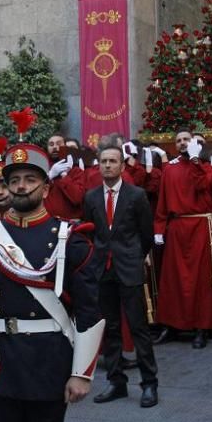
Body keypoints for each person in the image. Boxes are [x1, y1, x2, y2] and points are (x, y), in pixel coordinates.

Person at [0, 138, 103, 422]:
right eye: (14, 180)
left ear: (46, 189)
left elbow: (88, 310)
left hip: (48, 361)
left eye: (30, 179)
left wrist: (82, 373)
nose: (20, 187)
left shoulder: (69, 239)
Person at [85, 144, 158, 407]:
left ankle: (149, 384)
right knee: (111, 329)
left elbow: (146, 234)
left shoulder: (136, 195)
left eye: (112, 161)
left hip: (129, 268)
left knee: (139, 329)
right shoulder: (91, 197)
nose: (107, 165)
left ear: (122, 166)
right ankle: (116, 382)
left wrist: (135, 257)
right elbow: (90, 233)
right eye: (103, 161)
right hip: (103, 270)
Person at [153, 131, 212, 348]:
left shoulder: (208, 166)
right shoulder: (170, 170)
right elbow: (163, 201)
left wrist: (197, 161)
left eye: (187, 139)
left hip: (200, 226)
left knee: (201, 279)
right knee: (173, 278)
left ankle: (201, 327)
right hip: (177, 226)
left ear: (196, 143)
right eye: (178, 141)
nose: (183, 143)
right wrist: (159, 228)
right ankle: (170, 324)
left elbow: (210, 189)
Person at [45, 133, 85, 220]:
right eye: (51, 144)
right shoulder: (42, 171)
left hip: (71, 224)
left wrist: (64, 176)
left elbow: (77, 198)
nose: (55, 147)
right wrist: (49, 176)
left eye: (59, 144)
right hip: (47, 222)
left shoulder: (76, 171)